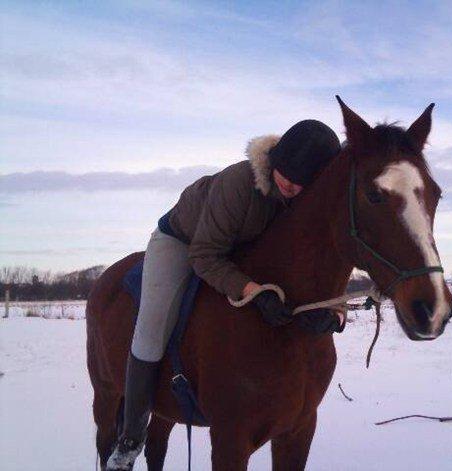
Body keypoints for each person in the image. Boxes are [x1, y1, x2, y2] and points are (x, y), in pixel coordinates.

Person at [106, 120, 344, 470]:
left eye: (301, 180)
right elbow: (204, 255)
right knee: (151, 328)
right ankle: (130, 437)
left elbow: (315, 262)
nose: (290, 184)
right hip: (184, 241)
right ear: (275, 158)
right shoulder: (238, 183)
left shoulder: (303, 199)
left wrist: (336, 311)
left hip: (237, 246)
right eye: (286, 173)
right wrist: (254, 292)